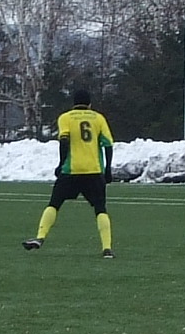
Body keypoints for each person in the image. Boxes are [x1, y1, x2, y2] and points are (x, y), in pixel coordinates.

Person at [25, 87, 117, 257]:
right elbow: (108, 144)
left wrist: (61, 164)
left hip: (70, 170)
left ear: (73, 103)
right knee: (100, 209)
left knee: (54, 204)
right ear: (89, 104)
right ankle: (107, 248)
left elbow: (64, 141)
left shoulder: (65, 118)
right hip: (94, 171)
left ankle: (40, 237)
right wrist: (108, 169)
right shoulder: (98, 118)